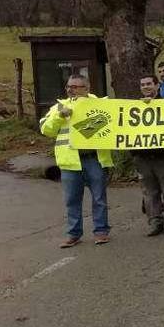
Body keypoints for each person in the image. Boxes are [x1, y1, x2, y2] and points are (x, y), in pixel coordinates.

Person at [39, 74, 114, 248]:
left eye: (75, 87)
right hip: (70, 161)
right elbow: (45, 129)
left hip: (94, 159)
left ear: (86, 89)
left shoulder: (100, 104)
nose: (70, 90)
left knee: (99, 198)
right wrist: (60, 117)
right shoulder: (59, 106)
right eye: (68, 87)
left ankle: (101, 232)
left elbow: (119, 120)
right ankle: (73, 234)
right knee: (72, 200)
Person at [133, 75, 164, 236]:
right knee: (149, 192)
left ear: (157, 86)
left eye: (149, 84)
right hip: (142, 157)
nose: (146, 87)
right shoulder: (132, 108)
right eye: (143, 84)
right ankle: (154, 221)